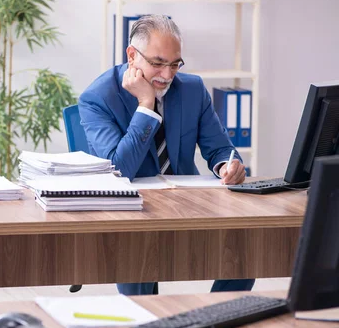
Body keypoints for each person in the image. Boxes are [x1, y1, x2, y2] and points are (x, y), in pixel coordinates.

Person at [78, 15, 253, 296]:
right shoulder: (97, 98)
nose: (168, 74)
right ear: (132, 55)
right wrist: (146, 106)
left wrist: (227, 165)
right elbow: (120, 170)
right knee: (138, 251)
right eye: (158, 63)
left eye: (175, 64)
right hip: (132, 214)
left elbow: (220, 148)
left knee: (245, 249)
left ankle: (218, 317)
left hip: (187, 205)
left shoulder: (193, 89)